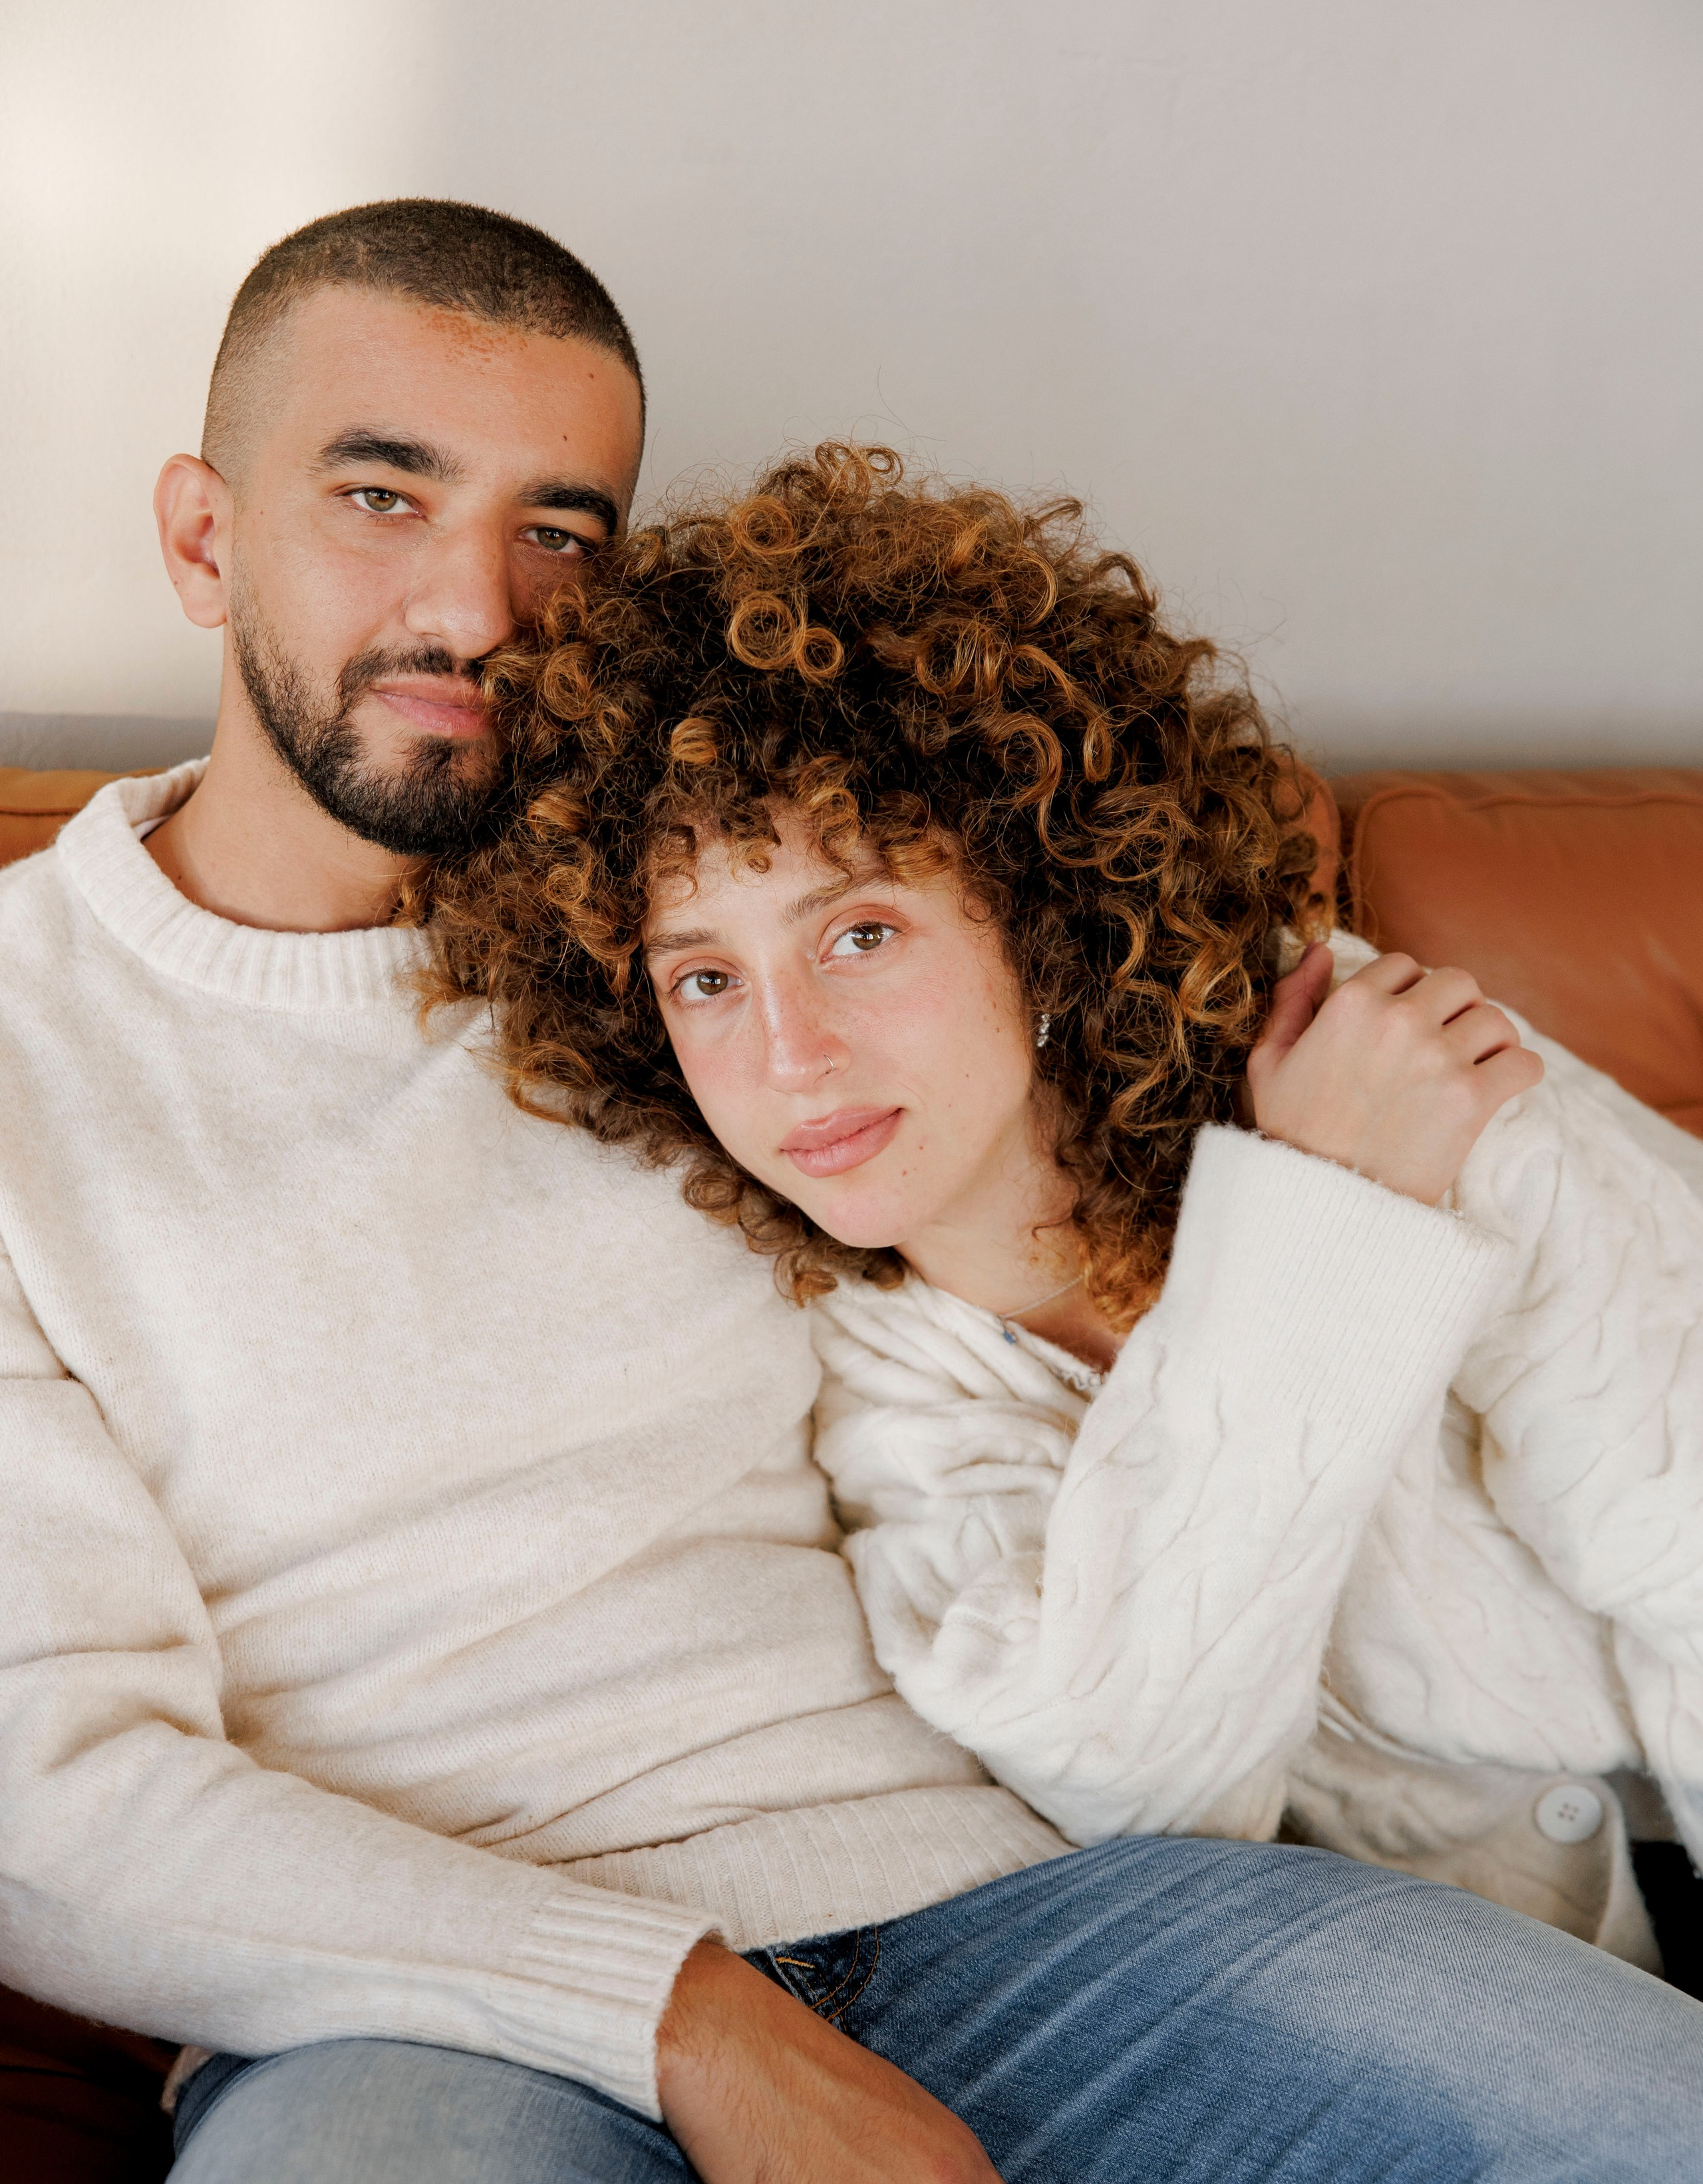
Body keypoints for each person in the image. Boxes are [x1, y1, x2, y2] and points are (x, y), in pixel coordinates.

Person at [0, 211, 1698, 2184]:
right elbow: (58, 1803)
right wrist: (689, 2024)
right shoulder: (32, 1055)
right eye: (380, 493)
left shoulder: (725, 907)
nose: (472, 610)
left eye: (559, 535)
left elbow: (1179, 1069)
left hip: (1050, 1928)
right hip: (423, 2022)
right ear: (204, 535)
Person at [426, 443, 1703, 1985]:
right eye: (704, 976)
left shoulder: (1378, 1059)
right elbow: (1151, 1796)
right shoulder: (873, 1389)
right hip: (1518, 2024)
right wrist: (1319, 1223)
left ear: (1037, 918)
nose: (788, 1055)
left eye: (861, 932)